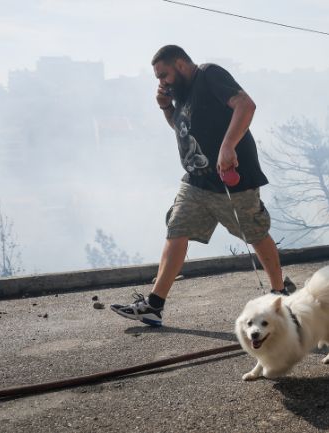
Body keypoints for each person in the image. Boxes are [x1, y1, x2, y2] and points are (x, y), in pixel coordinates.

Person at [111, 45, 292, 327]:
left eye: (164, 75)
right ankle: (154, 305)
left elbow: (246, 105)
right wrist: (166, 108)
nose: (161, 82)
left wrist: (228, 146)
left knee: (255, 234)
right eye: (158, 78)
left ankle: (281, 293)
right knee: (176, 229)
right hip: (196, 182)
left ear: (181, 64)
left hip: (232, 180)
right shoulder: (180, 93)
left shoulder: (209, 75)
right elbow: (182, 128)